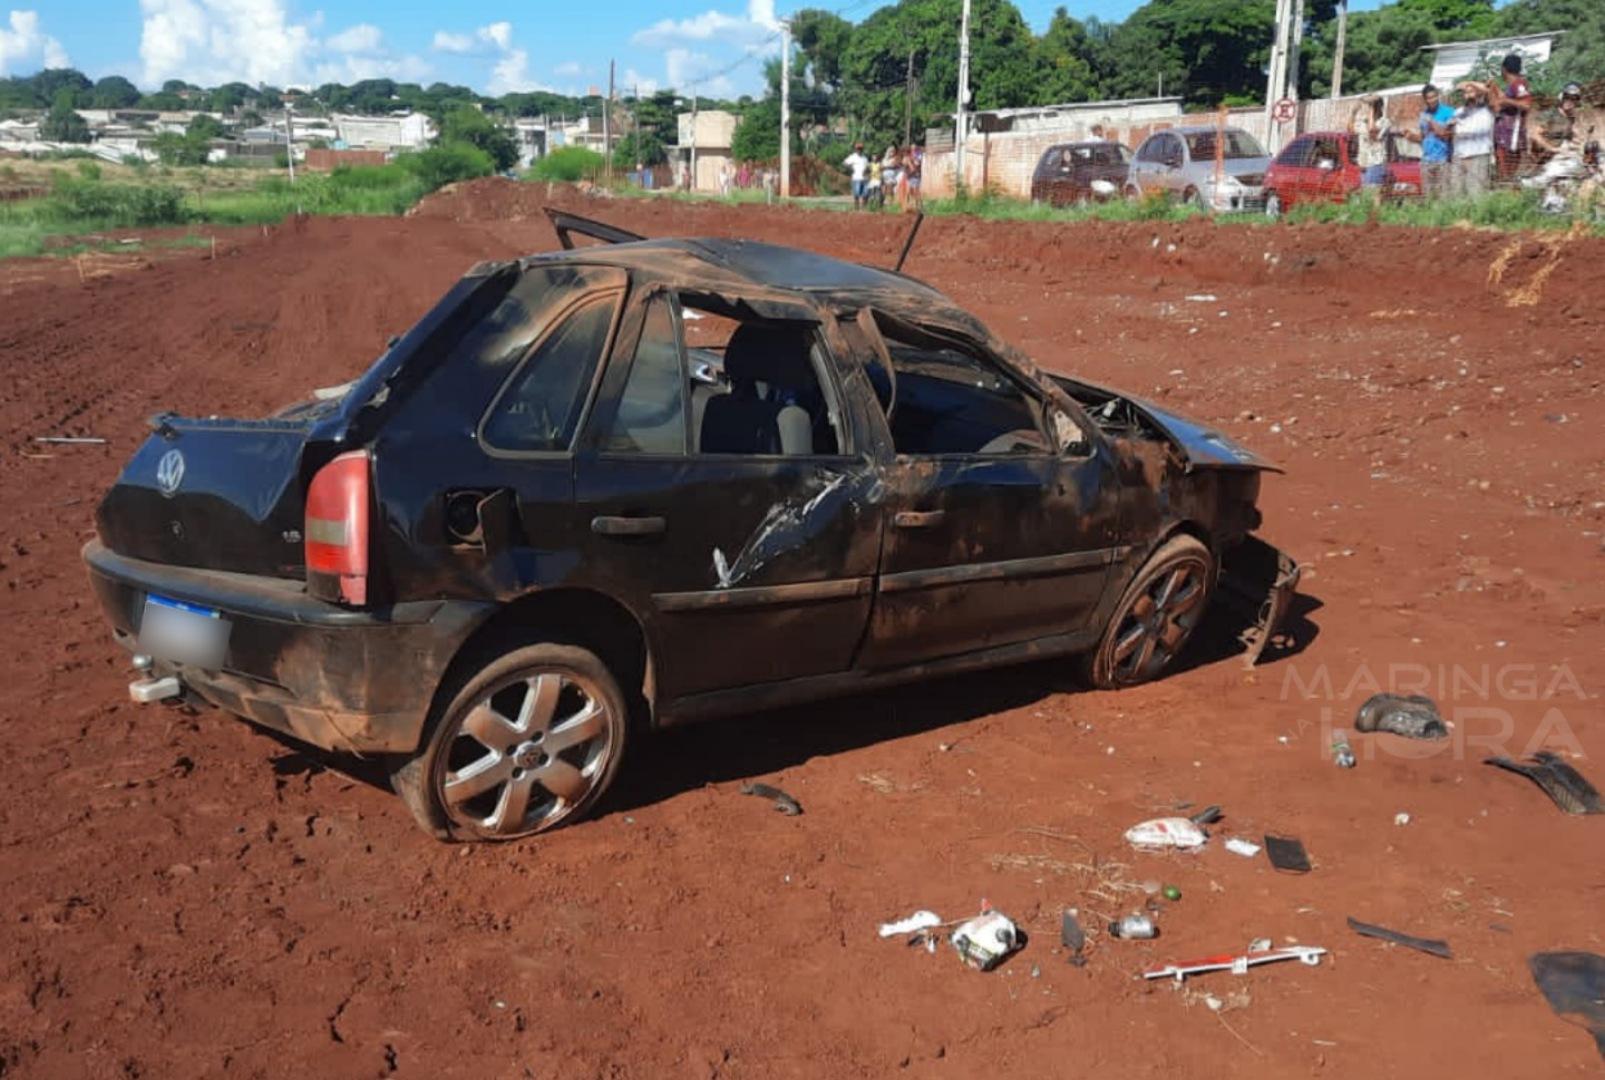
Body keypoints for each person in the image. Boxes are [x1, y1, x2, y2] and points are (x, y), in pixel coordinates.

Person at [1524, 82, 1593, 212]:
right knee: (1575, 168)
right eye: (1568, 98)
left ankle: (1553, 205)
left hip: (1563, 154)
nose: (1570, 102)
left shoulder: (1572, 117)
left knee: (1578, 172)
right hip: (1549, 154)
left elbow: (1574, 137)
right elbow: (1535, 135)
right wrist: (1552, 148)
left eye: (1574, 99)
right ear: (1562, 97)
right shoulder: (1551, 115)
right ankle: (1539, 181)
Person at [1448, 81, 1495, 199]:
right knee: (1456, 194)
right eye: (1466, 93)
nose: (1468, 95)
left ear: (1478, 93)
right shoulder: (1458, 112)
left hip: (1478, 156)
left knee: (1476, 194)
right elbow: (1451, 131)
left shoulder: (1486, 109)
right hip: (1459, 157)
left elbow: (1487, 90)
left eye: (1471, 92)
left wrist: (1469, 83)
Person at [1410, 83, 1455, 199]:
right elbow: (1423, 137)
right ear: (1425, 100)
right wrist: (1411, 137)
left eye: (1434, 96)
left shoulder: (1449, 112)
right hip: (1426, 160)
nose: (1432, 100)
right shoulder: (1423, 115)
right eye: (1429, 98)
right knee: (1428, 196)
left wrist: (1432, 122)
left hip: (1443, 159)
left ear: (1438, 96)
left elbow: (1447, 135)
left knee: (1444, 195)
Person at [1492, 52, 1532, 181]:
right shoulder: (1512, 86)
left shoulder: (1518, 84)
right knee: (1504, 173)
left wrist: (1506, 102)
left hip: (1510, 137)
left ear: (1504, 69)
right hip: (1505, 136)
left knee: (1507, 174)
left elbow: (1526, 104)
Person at [1349, 93, 1392, 197]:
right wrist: (1353, 113)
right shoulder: (1363, 122)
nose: (1367, 108)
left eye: (1370, 105)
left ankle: (1376, 213)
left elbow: (1372, 132)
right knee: (1366, 197)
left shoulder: (1384, 122)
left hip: (1375, 163)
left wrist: (1372, 110)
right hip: (1364, 164)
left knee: (1373, 196)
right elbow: (1350, 129)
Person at [843, 142, 870, 209]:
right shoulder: (853, 157)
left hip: (865, 178)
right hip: (856, 178)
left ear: (862, 149)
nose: (859, 150)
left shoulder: (865, 158)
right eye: (858, 149)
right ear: (855, 149)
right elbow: (844, 163)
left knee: (866, 194)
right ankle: (856, 208)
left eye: (860, 149)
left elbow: (867, 167)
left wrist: (867, 170)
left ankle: (864, 207)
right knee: (856, 194)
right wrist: (850, 169)